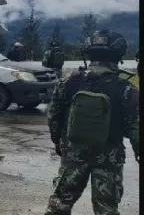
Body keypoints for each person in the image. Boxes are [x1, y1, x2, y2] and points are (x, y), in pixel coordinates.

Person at [44, 29, 139, 215]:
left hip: (73, 154)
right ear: (118, 54)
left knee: (59, 203)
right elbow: (136, 128)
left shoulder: (68, 81)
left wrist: (59, 142)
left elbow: (53, 116)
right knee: (106, 209)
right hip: (109, 158)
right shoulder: (127, 89)